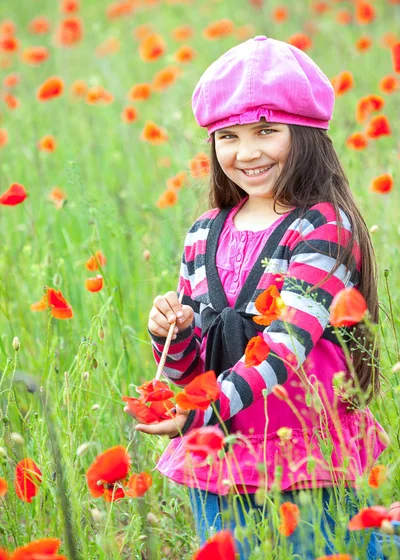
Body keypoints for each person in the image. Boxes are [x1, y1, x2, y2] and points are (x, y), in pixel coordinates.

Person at [125, 36, 394, 559]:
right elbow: (189, 365)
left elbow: (286, 346)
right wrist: (170, 333)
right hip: (218, 449)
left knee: (324, 551)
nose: (246, 152)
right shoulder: (204, 232)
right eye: (228, 136)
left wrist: (199, 411)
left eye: (266, 132)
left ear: (307, 134)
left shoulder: (323, 228)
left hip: (300, 446)